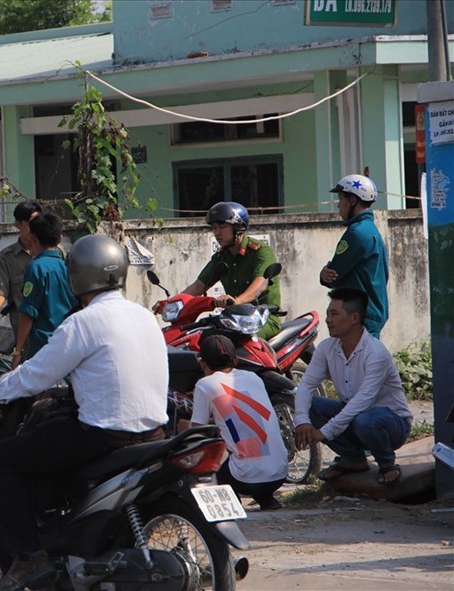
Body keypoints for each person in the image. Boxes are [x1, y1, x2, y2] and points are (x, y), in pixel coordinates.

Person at [0, 234, 169, 591]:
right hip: (156, 433)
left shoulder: (82, 323)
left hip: (104, 437)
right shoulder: (145, 316)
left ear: (78, 277)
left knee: (4, 458)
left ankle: (29, 557)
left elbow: (35, 375)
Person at [294, 287, 412, 485]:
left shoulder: (375, 353)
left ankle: (387, 464)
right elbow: (305, 386)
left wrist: (323, 432)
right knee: (312, 406)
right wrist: (302, 421)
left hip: (391, 423)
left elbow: (362, 401)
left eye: (334, 314)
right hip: (356, 418)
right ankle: (353, 459)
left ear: (354, 318)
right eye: (327, 314)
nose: (327, 320)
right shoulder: (326, 347)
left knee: (366, 420)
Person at [187, 334, 287, 511]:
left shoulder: (204, 384)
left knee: (204, 451)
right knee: (245, 445)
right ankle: (266, 498)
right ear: (235, 360)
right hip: (280, 475)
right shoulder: (254, 378)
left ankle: (231, 502)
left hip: (243, 480)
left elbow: (198, 432)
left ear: (202, 364)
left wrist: (183, 428)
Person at [155, 201, 282, 339]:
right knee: (204, 339)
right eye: (214, 228)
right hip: (235, 319)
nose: (217, 232)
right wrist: (172, 303)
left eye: (222, 226)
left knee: (239, 341)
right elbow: (199, 286)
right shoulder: (221, 257)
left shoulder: (260, 252)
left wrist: (237, 301)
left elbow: (260, 284)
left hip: (262, 319)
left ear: (238, 228)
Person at [319, 174, 390, 337]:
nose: (338, 205)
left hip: (360, 319)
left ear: (352, 201)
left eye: (341, 198)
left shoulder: (357, 233)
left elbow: (333, 276)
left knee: (357, 362)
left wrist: (324, 275)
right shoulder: (369, 229)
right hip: (368, 316)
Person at [12, 211, 77, 368]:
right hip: (70, 345)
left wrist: (18, 351)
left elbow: (28, 313)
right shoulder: (69, 267)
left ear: (33, 239)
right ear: (60, 238)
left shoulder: (36, 268)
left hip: (44, 349)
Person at [0, 200, 44, 335]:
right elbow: (0, 291)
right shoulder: (6, 258)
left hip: (52, 332)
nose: (36, 228)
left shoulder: (55, 252)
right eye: (31, 223)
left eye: (39, 223)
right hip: (25, 335)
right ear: (17, 224)